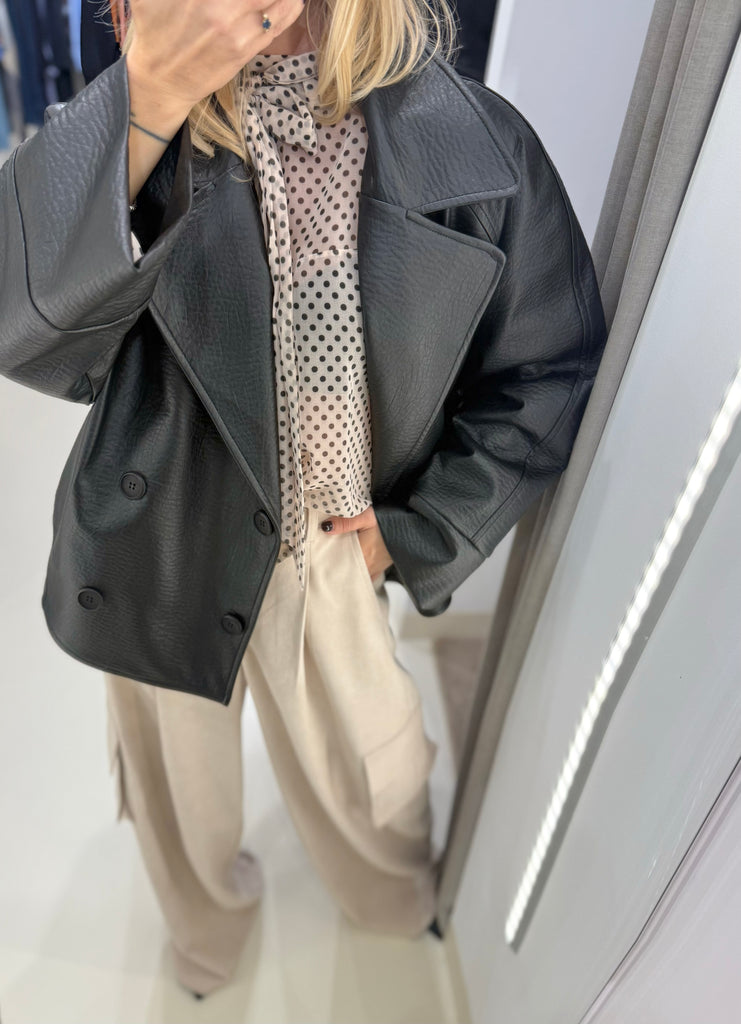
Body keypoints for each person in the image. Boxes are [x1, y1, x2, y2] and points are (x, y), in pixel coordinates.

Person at [0, 0, 608, 1000]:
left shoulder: (475, 143)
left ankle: (391, 907)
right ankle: (207, 943)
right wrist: (146, 99)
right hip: (164, 525)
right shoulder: (136, 127)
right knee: (180, 797)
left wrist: (415, 532)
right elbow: (22, 327)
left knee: (370, 777)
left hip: (331, 544)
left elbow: (545, 367)